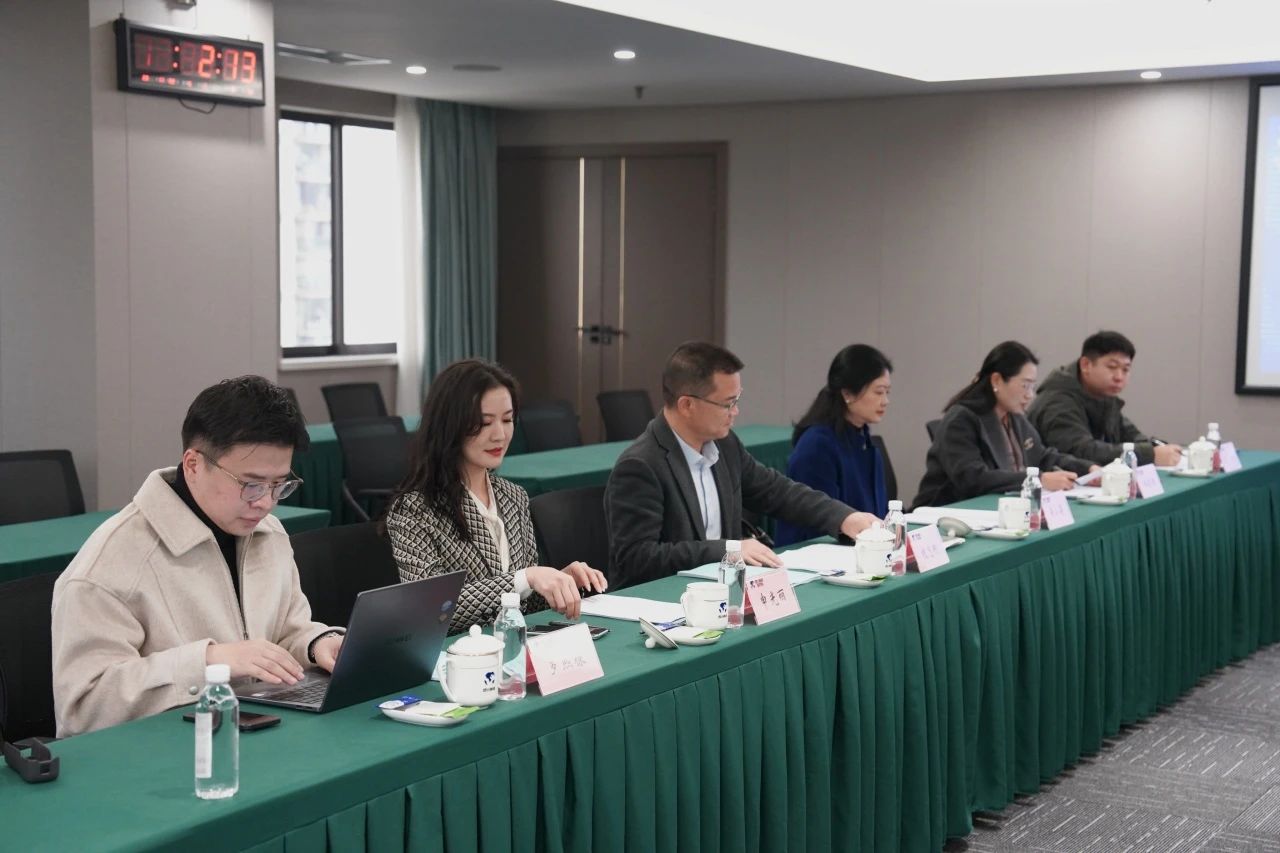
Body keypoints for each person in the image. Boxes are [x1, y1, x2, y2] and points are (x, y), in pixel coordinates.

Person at [51, 377, 345, 737]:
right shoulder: (110, 564)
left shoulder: (267, 532)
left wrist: (317, 644)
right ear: (192, 464)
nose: (266, 503)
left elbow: (284, 633)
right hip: (163, 754)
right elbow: (83, 708)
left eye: (279, 485)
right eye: (251, 485)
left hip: (250, 733)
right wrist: (209, 661)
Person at [604, 341, 880, 589]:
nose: (735, 412)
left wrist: (843, 517)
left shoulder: (725, 445)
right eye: (727, 404)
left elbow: (776, 491)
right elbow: (637, 559)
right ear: (687, 405)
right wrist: (727, 550)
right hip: (659, 602)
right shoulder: (640, 465)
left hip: (718, 593)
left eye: (737, 400)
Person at [384, 359, 607, 634]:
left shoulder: (514, 496)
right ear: (450, 424)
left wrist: (562, 581)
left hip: (512, 648)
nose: (500, 434)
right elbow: (429, 609)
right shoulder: (414, 509)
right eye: (484, 422)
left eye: (507, 420)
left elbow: (525, 606)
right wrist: (525, 578)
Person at [913, 341, 1097, 508]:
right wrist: (1038, 480)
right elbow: (973, 478)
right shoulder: (961, 419)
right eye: (1025, 386)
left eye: (1032, 387)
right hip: (949, 513)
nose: (1030, 395)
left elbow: (1042, 456)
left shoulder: (1014, 416)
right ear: (997, 380)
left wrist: (1087, 469)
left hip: (999, 509)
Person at [776, 344, 893, 546]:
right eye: (878, 392)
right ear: (847, 394)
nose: (885, 401)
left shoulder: (863, 439)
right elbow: (815, 524)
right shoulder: (817, 446)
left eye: (887, 392)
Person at [1027, 330, 1183, 467]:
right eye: (1112, 367)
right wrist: (1149, 454)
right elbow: (1082, 451)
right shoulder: (1058, 402)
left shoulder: (1102, 395)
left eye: (1125, 369)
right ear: (1086, 365)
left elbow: (1131, 435)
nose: (1119, 377)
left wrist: (1154, 447)